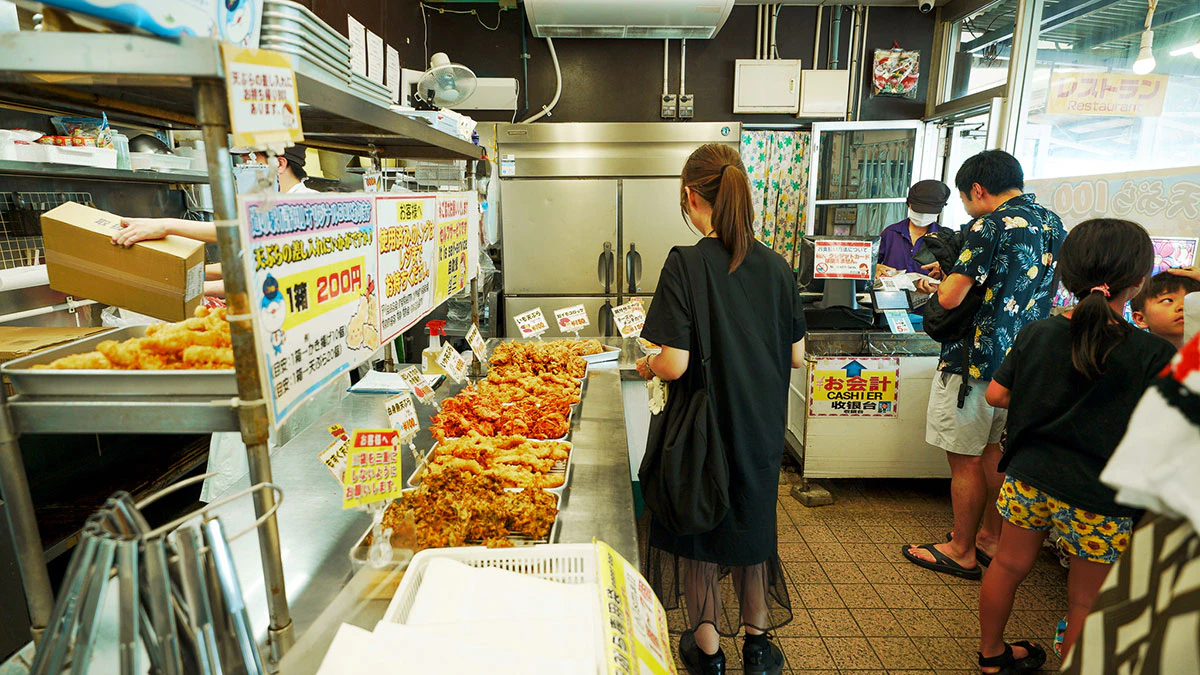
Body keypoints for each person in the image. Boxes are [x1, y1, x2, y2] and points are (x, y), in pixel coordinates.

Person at [975, 219, 1176, 673]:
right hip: (1100, 495)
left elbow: (997, 395)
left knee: (1006, 567)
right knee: (1086, 600)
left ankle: (991, 657)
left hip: (1029, 476)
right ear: (1140, 281)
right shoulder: (1152, 353)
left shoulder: (1039, 331)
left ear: (1067, 274)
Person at [634, 143, 805, 675]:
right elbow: (798, 355)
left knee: (701, 532)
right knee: (752, 527)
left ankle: (707, 650)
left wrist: (647, 364)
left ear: (690, 196)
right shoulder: (777, 265)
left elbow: (676, 364)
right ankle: (758, 644)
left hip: (704, 428)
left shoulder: (686, 263)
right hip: (759, 425)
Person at [905, 150, 1066, 580]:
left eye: (963, 197)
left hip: (972, 362)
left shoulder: (989, 224)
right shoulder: (1051, 223)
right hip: (1021, 362)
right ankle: (990, 540)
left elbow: (951, 297)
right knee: (997, 453)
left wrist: (941, 278)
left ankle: (960, 549)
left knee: (965, 459)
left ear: (978, 189)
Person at [875, 179, 951, 277]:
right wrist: (876, 267)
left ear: (940, 210)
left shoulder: (947, 238)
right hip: (893, 291)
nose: (923, 215)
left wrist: (943, 273)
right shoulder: (891, 233)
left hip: (931, 291)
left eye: (929, 212)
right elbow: (868, 264)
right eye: (919, 210)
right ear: (909, 204)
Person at [1131, 270, 1200, 349]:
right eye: (1168, 300)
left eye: (1192, 299)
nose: (1183, 306)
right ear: (1141, 319)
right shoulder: (1134, 358)